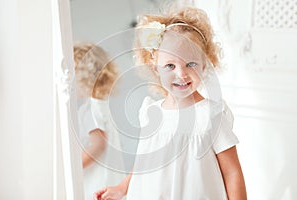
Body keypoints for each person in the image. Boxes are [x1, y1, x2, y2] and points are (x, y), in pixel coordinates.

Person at [95, 4, 247, 200]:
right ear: (155, 68)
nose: (181, 74)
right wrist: (122, 187)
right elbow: (144, 161)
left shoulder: (210, 115)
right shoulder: (150, 112)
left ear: (204, 65)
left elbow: (232, 172)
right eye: (170, 65)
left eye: (191, 64)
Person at [74, 42, 125, 200]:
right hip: (110, 180)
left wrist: (74, 167)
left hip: (97, 185)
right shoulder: (101, 105)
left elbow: (97, 144)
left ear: (83, 77)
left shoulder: (90, 108)